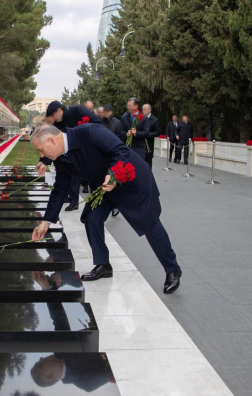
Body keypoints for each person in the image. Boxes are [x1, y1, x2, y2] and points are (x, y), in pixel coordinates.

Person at [30, 123, 182, 293]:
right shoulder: (60, 158)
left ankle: (172, 269)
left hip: (130, 179)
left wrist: (113, 175)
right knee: (92, 217)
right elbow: (59, 190)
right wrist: (46, 222)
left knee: (150, 224)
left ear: (52, 140)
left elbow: (121, 151)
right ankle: (103, 265)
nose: (42, 156)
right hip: (104, 188)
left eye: (41, 150)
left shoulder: (90, 132)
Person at [37, 101, 100, 213]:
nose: (53, 120)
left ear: (58, 111)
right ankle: (73, 201)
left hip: (88, 156)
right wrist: (44, 162)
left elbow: (98, 126)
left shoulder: (79, 111)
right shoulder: (57, 124)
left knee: (93, 183)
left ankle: (85, 203)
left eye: (53, 116)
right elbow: (51, 144)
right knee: (66, 179)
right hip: (68, 157)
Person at [143, 104, 159, 170]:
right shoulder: (140, 119)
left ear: (149, 110)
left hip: (149, 145)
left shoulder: (155, 120)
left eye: (145, 109)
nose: (143, 111)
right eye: (142, 109)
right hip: (140, 145)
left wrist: (147, 134)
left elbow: (157, 132)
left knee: (148, 164)